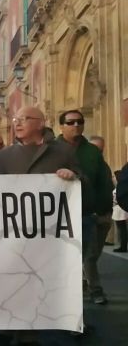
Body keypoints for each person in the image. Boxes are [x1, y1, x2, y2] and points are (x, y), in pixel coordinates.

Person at [0, 106, 79, 346]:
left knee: (36, 282)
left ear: (41, 123)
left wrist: (73, 176)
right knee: (12, 281)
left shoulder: (62, 152)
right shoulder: (5, 156)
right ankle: (12, 329)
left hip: (48, 234)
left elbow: (84, 183)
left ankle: (27, 333)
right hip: (13, 232)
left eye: (24, 119)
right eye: (15, 119)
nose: (17, 123)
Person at [57, 110, 113, 305]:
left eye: (79, 122)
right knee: (63, 257)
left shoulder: (92, 152)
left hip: (88, 212)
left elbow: (104, 181)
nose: (76, 126)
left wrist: (105, 209)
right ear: (61, 126)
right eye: (70, 122)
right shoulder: (51, 150)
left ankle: (95, 289)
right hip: (60, 216)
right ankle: (66, 293)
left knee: (90, 255)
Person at [112, 171, 127, 252]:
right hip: (119, 210)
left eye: (114, 177)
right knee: (122, 229)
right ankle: (123, 245)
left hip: (119, 211)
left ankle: (123, 246)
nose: (113, 178)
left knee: (122, 229)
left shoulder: (119, 188)